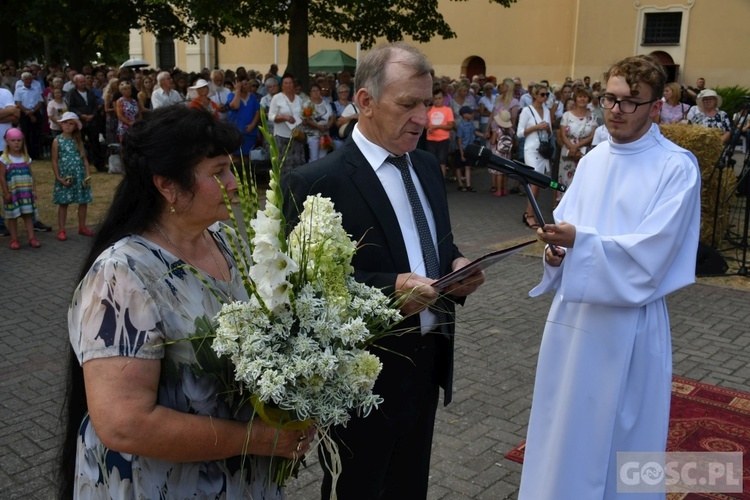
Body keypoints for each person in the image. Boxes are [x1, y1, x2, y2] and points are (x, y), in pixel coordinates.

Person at [58, 106, 316, 499]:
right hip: (162, 485)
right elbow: (123, 423)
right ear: (168, 186)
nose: (234, 184)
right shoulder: (122, 277)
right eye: (217, 173)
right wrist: (256, 439)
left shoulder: (225, 240)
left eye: (231, 169)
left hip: (238, 476)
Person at [282, 41, 484, 500]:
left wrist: (458, 266)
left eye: (427, 104)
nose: (422, 117)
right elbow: (302, 292)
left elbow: (440, 243)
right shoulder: (317, 181)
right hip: (360, 381)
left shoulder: (428, 167)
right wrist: (388, 289)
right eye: (407, 104)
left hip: (428, 361)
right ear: (366, 102)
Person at [518, 55, 701, 499]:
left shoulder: (676, 167)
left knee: (624, 440)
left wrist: (580, 240)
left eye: (630, 102)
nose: (615, 110)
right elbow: (565, 233)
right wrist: (556, 253)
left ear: (656, 108)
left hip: (629, 327)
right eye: (609, 99)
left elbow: (652, 256)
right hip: (573, 320)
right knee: (562, 427)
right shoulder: (596, 159)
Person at [51, 112, 94, 241]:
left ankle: (82, 226)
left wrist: (87, 174)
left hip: (80, 175)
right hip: (66, 176)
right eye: (65, 123)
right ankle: (62, 229)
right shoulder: (57, 140)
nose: (68, 126)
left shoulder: (77, 141)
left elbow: (84, 159)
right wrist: (59, 177)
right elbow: (54, 160)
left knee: (83, 201)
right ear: (61, 124)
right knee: (64, 203)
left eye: (71, 124)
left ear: (75, 126)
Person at [516, 84, 552, 229]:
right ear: (535, 95)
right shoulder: (526, 110)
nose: (544, 97)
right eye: (542, 94)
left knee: (538, 183)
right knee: (534, 182)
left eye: (546, 95)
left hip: (543, 149)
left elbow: (550, 135)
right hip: (531, 148)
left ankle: (530, 212)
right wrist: (536, 127)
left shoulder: (547, 111)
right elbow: (519, 133)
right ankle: (529, 214)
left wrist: (548, 129)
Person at [1, 128, 41, 249]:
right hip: (13, 192)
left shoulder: (25, 158)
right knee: (12, 216)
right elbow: (1, 177)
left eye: (19, 140)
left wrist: (34, 189)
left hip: (26, 192)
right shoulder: (4, 159)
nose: (16, 143)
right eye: (13, 140)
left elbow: (31, 174)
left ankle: (32, 237)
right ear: (7, 141)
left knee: (28, 215)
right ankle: (14, 239)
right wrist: (6, 192)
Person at [557, 86, 597, 202]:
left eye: (585, 97)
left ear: (588, 99)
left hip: (584, 152)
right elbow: (563, 134)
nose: (582, 99)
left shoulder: (592, 116)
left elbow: (592, 136)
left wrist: (577, 146)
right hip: (568, 152)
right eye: (580, 96)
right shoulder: (567, 115)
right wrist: (572, 147)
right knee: (566, 180)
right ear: (575, 99)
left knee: (583, 181)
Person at [66, 74, 105, 171]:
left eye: (84, 81)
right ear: (75, 83)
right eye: (81, 82)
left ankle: (99, 165)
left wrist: (93, 114)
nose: (83, 83)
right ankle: (79, 165)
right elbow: (71, 107)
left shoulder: (90, 92)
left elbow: (95, 105)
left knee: (95, 143)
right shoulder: (72, 93)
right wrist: (81, 115)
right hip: (80, 122)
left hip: (92, 122)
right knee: (79, 143)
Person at [268, 73, 305, 172]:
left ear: (293, 84)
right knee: (283, 163)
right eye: (286, 83)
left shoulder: (299, 99)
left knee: (297, 162)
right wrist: (284, 117)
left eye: (290, 83)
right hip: (281, 135)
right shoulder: (277, 98)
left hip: (296, 135)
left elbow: (302, 114)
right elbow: (271, 116)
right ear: (282, 85)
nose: (288, 85)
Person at [227, 76, 261, 164]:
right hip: (236, 133)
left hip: (250, 133)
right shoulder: (231, 95)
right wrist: (237, 91)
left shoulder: (252, 97)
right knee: (236, 157)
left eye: (247, 84)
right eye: (243, 85)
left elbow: (257, 112)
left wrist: (252, 125)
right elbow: (235, 106)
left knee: (247, 157)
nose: (246, 86)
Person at [426, 87, 454, 181]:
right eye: (435, 98)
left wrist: (437, 127)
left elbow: (450, 126)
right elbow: (425, 124)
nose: (437, 101)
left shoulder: (447, 110)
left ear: (444, 98)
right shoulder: (429, 110)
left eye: (439, 98)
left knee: (442, 162)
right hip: (430, 139)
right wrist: (428, 128)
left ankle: (441, 183)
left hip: (443, 139)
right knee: (431, 162)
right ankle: (432, 182)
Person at [14, 72, 44, 159]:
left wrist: (33, 111)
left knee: (36, 133)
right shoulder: (19, 90)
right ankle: (27, 154)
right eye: (26, 79)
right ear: (22, 80)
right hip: (24, 113)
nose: (28, 81)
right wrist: (28, 113)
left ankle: (36, 154)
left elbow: (40, 102)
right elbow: (18, 104)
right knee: (26, 134)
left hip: (35, 112)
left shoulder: (36, 89)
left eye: (30, 79)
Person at [301, 82, 334, 162]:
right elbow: (307, 119)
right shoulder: (307, 104)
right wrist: (318, 127)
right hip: (313, 134)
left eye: (317, 90)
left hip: (325, 134)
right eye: (313, 90)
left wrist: (327, 126)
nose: (316, 92)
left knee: (323, 158)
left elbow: (332, 117)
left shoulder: (326, 103)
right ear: (310, 93)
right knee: (314, 158)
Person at [488, 109, 516, 196]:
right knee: (505, 172)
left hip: (498, 153)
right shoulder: (511, 130)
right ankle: (505, 189)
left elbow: (493, 142)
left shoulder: (497, 130)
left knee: (498, 172)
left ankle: (499, 190)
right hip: (507, 153)